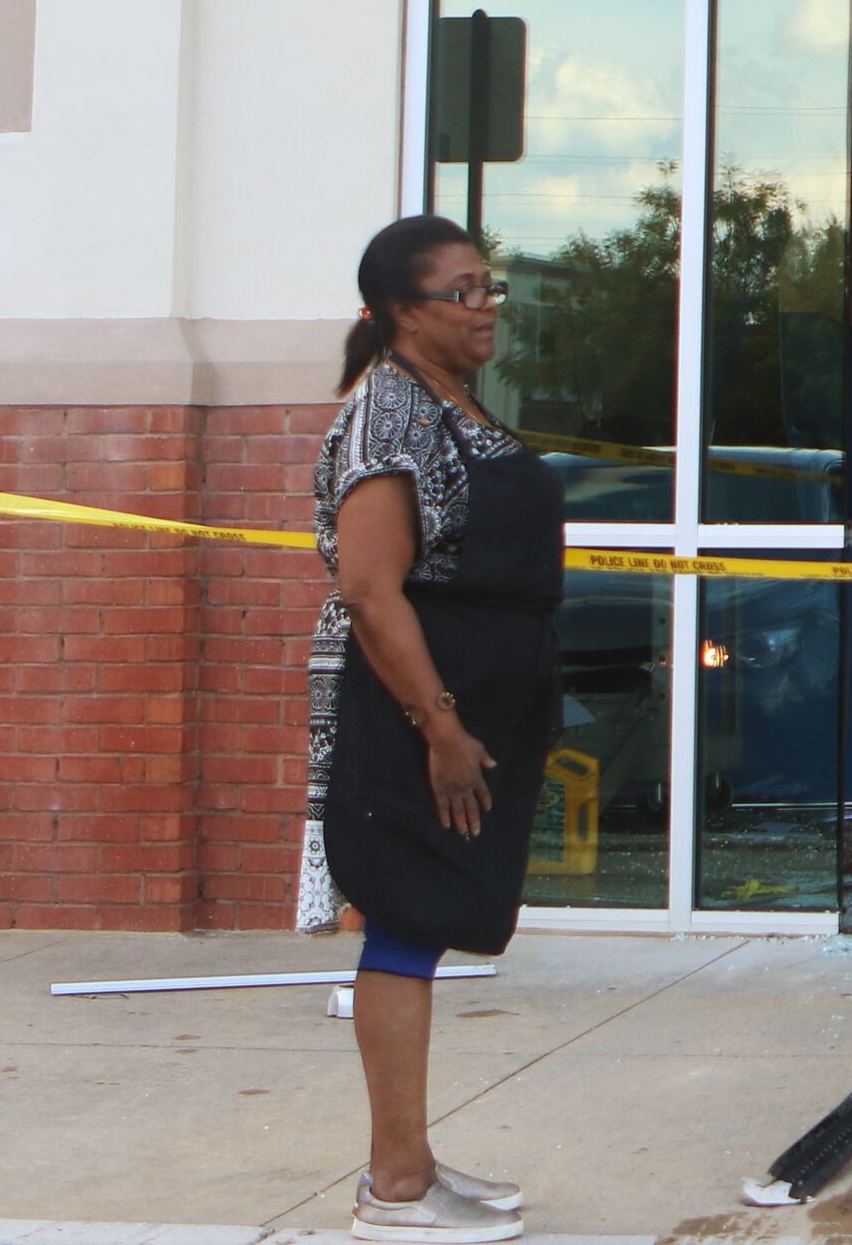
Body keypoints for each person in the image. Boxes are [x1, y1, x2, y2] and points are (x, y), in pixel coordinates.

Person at [295, 217, 563, 1244]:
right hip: (412, 708)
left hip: (475, 699)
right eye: (462, 291)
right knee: (404, 918)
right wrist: (440, 727)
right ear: (403, 311)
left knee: (431, 915)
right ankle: (395, 1187)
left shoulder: (448, 402)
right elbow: (369, 589)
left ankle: (411, 1160)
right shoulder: (387, 416)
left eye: (489, 287)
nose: (486, 305)